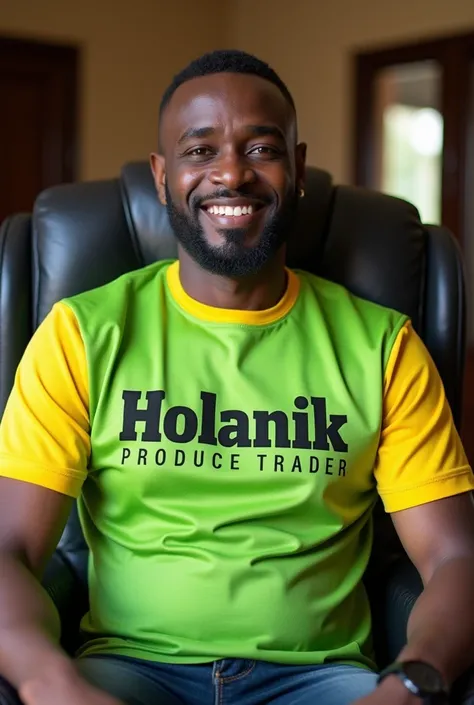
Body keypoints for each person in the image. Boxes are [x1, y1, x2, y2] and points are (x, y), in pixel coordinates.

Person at [0, 49, 473, 705]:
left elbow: (455, 558)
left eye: (261, 147)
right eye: (200, 151)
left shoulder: (382, 347)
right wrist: (48, 681)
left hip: (321, 679)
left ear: (297, 169)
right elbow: (9, 547)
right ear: (163, 177)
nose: (231, 172)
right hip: (130, 672)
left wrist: (412, 681)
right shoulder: (82, 334)